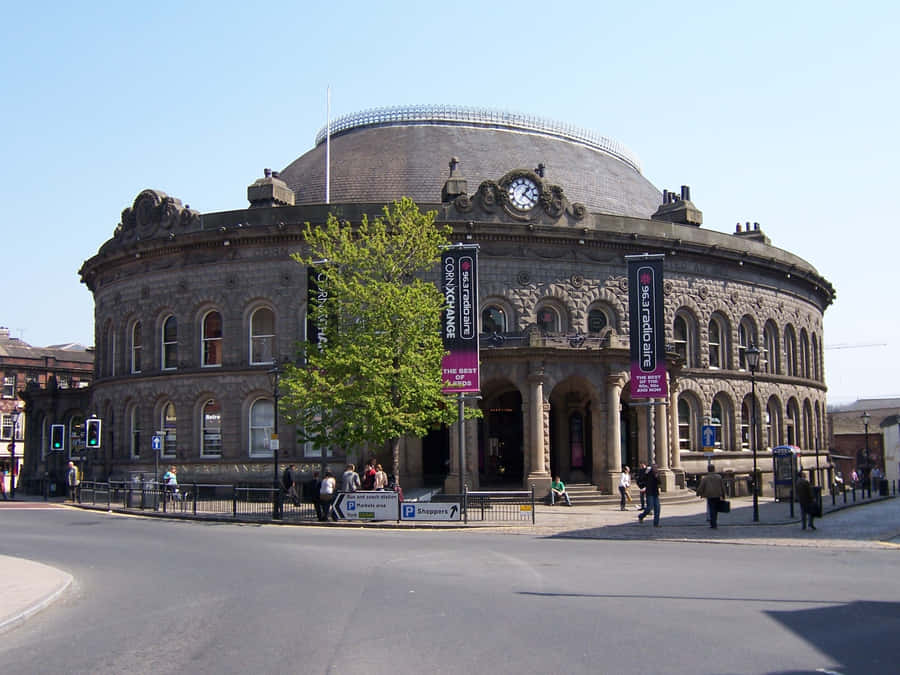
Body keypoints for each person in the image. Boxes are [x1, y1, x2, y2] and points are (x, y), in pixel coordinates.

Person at [696, 464, 726, 529]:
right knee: (716, 509)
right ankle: (714, 522)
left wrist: (698, 493)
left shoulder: (706, 478)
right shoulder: (719, 477)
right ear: (714, 469)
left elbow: (701, 486)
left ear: (708, 470)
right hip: (717, 495)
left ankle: (713, 523)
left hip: (710, 495)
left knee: (712, 509)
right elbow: (722, 486)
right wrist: (723, 494)